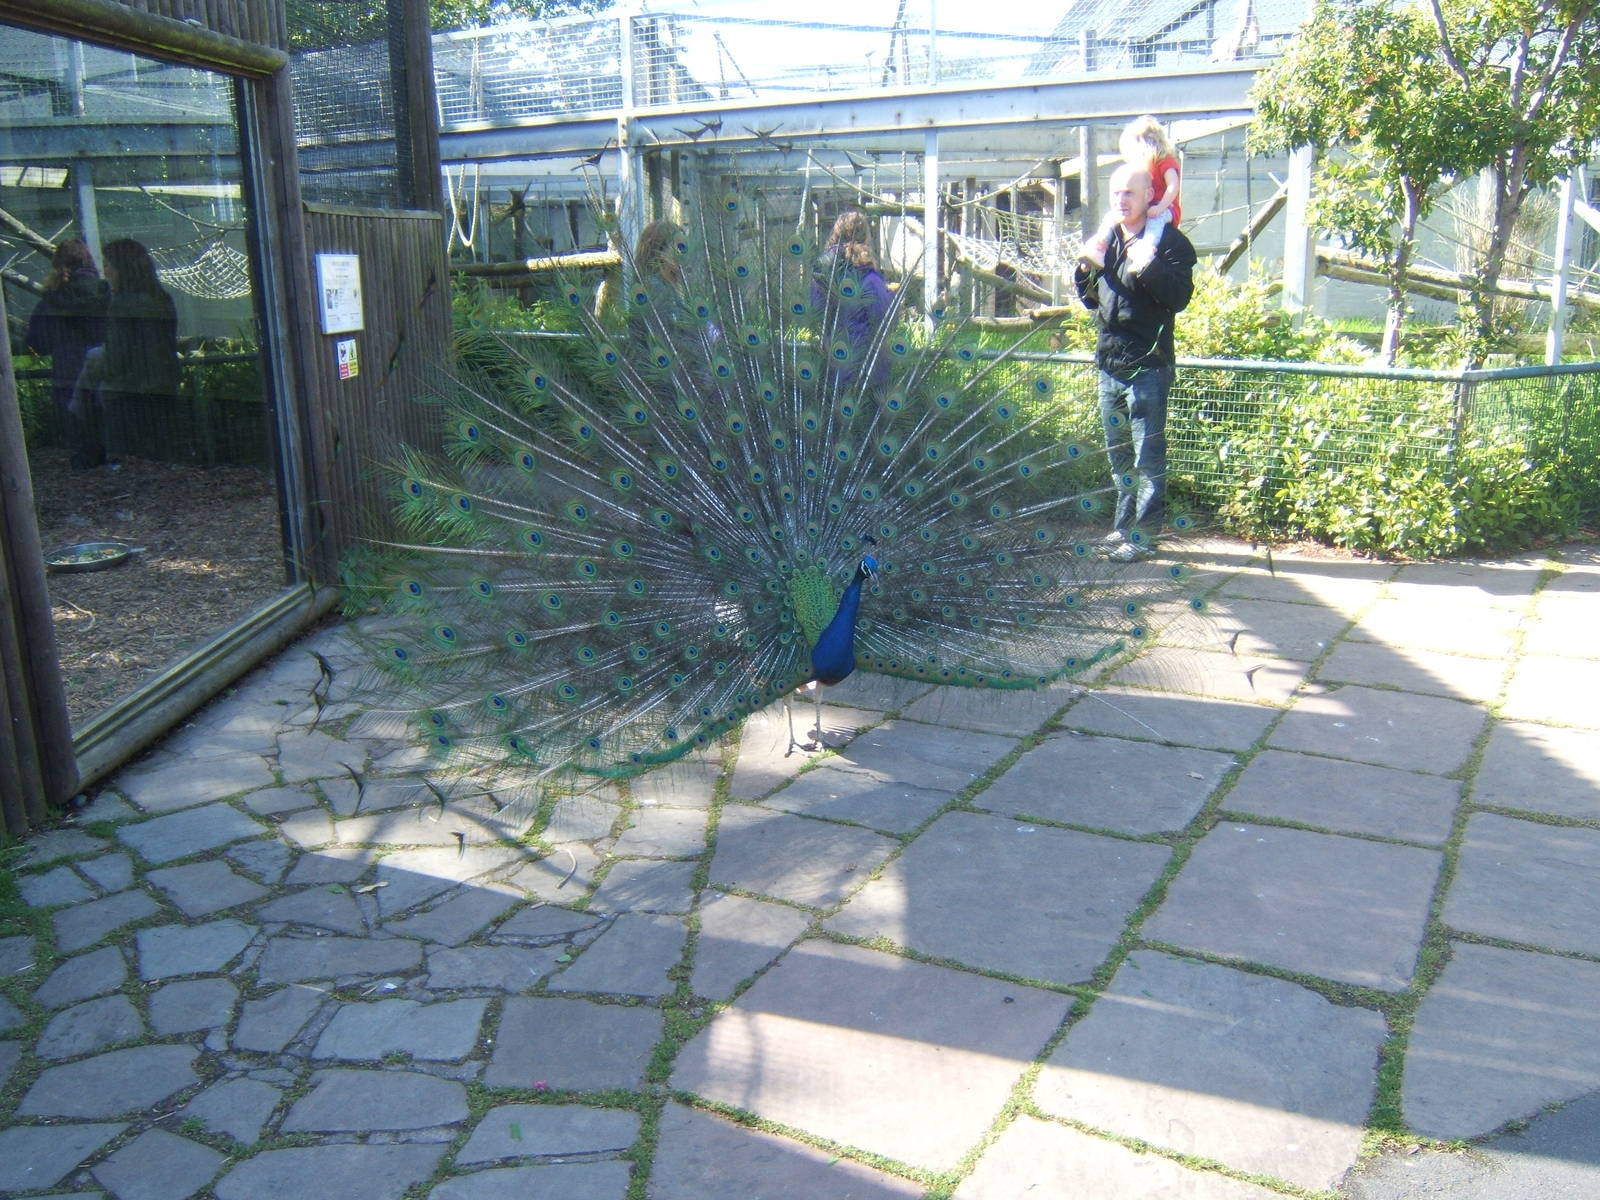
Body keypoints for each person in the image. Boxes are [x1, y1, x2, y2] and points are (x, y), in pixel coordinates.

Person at [1074, 163, 1197, 562]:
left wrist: (1149, 265)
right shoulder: (1106, 241)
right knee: (1119, 456)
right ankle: (1122, 528)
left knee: (1147, 457)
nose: (1121, 200)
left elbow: (1179, 298)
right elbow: (1093, 299)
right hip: (1110, 362)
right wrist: (1082, 272)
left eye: (1129, 193)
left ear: (1150, 196)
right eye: (1116, 194)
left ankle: (1143, 538)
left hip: (1148, 365)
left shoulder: (1171, 244)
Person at [88, 238, 179, 460]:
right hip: (163, 390)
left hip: (128, 396)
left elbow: (117, 360)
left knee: (128, 461)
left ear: (123, 268)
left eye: (108, 265)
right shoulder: (161, 298)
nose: (105, 271)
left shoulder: (123, 304)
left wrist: (95, 365)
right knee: (158, 459)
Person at [26, 239, 109, 468]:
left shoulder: (53, 299)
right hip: (106, 374)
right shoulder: (106, 293)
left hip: (68, 376)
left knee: (82, 443)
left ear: (57, 265)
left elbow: (37, 342)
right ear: (90, 260)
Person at [1080, 116, 1182, 270]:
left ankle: (1145, 252)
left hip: (1166, 209)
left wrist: (1161, 207)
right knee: (1110, 217)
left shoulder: (1164, 161)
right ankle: (1099, 247)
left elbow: (1173, 186)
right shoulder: (1143, 167)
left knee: (1155, 221)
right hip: (1149, 207)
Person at [811, 210, 893, 389]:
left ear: (836, 234)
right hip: (864, 365)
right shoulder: (868, 276)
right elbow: (882, 316)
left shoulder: (823, 271)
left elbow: (815, 310)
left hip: (831, 362)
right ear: (866, 237)